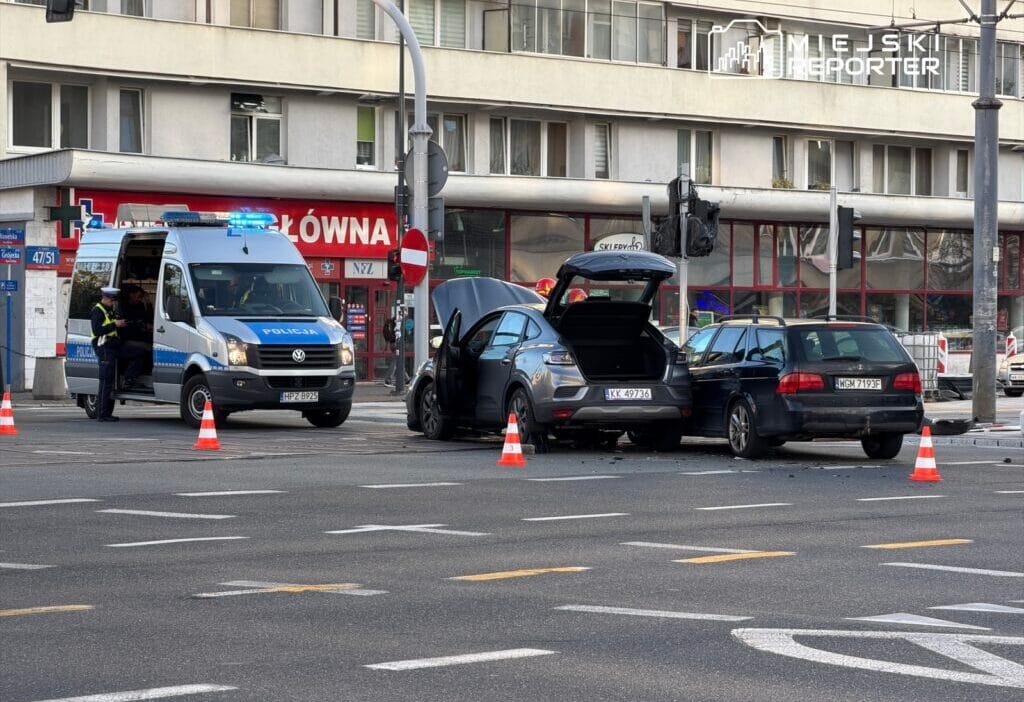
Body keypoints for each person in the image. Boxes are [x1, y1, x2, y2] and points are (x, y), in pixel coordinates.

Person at [90, 287, 145, 422]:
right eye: (112, 300)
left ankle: (129, 379)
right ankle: (102, 414)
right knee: (106, 380)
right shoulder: (97, 310)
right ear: (106, 298)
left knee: (139, 353)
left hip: (114, 346)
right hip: (104, 347)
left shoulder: (110, 310)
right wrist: (115, 324)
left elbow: (115, 324)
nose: (113, 303)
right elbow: (97, 330)